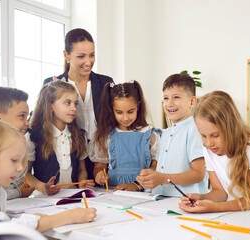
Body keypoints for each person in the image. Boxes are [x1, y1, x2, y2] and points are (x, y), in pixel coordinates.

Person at [179, 91, 250, 213]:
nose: (209, 143)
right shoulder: (208, 150)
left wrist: (215, 208)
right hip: (234, 214)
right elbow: (220, 193)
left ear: (230, 128)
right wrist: (201, 198)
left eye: (215, 135)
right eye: (203, 136)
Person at [0, 119, 97, 232]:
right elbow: (6, 229)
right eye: (14, 160)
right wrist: (69, 217)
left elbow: (2, 220)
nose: (20, 168)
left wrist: (35, 219)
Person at [44, 28, 113, 180]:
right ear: (66, 55)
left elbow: (115, 120)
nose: (88, 62)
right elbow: (40, 119)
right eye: (81, 56)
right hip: (70, 156)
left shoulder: (106, 83)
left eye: (92, 55)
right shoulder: (52, 83)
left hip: (102, 157)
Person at [136, 74, 208, 196]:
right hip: (160, 199)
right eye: (165, 98)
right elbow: (161, 170)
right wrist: (150, 175)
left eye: (176, 97)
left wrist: (161, 178)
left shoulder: (195, 130)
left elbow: (198, 174)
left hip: (186, 201)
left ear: (192, 101)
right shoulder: (166, 133)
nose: (169, 103)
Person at [25, 81, 94, 196]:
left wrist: (83, 182)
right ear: (50, 105)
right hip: (43, 199)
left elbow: (82, 170)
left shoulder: (80, 136)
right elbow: (25, 173)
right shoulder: (33, 136)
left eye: (75, 104)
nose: (74, 108)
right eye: (67, 103)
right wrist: (42, 187)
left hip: (73, 197)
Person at [91, 80, 161, 191]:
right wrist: (99, 175)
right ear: (112, 109)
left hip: (143, 191)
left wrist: (136, 185)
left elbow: (156, 166)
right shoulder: (106, 136)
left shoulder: (150, 134)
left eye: (130, 111)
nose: (125, 118)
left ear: (138, 106)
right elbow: (100, 166)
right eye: (119, 112)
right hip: (112, 191)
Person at [0, 87, 35, 199]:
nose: (27, 123)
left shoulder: (18, 147)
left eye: (27, 117)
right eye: (21, 116)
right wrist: (18, 192)